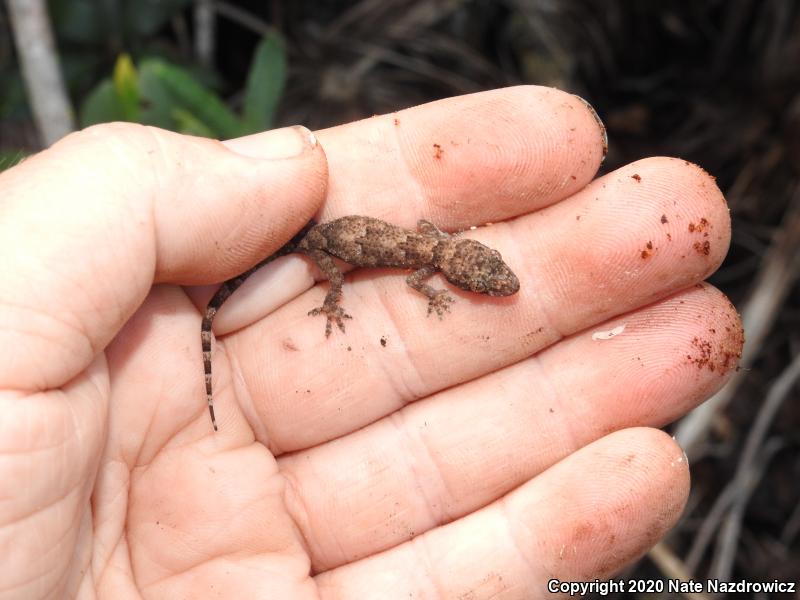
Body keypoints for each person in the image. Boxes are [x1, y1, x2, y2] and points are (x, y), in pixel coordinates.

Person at [0, 86, 741, 598]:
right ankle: (262, 308)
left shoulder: (431, 247)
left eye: (489, 279)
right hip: (324, 248)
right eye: (489, 280)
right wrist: (333, 290)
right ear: (463, 274)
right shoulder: (426, 263)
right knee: (303, 282)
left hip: (338, 240)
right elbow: (404, 255)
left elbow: (422, 241)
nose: (490, 282)